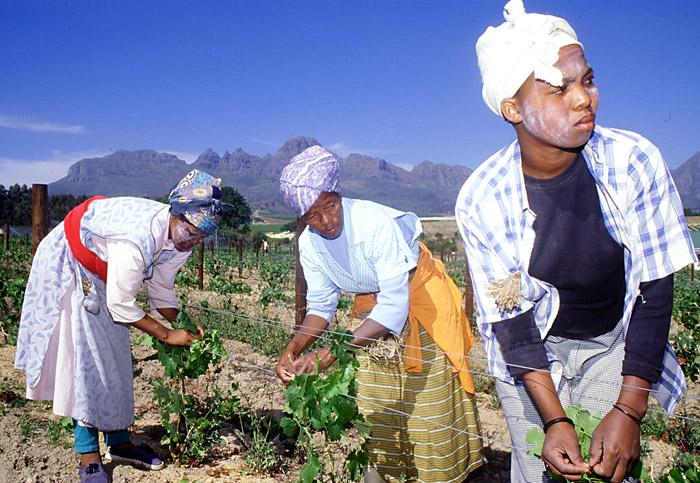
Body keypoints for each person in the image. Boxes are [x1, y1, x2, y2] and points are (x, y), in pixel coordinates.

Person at [455, 1, 696, 482]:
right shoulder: (483, 200)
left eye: (586, 79)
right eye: (559, 88)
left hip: (611, 343)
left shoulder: (632, 163)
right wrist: (554, 419)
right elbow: (512, 322)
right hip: (534, 357)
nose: (583, 97)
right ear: (512, 108)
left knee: (604, 467)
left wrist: (628, 409)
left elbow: (654, 288)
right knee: (536, 465)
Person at [275, 145, 483, 483]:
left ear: (339, 195)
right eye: (313, 215)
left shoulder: (373, 222)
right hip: (374, 312)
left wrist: (333, 352)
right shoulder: (309, 245)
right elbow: (321, 306)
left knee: (428, 407)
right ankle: (386, 474)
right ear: (301, 218)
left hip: (421, 301)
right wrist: (293, 348)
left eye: (330, 206)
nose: (327, 221)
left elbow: (394, 307)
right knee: (380, 404)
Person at [15, 169, 226, 483]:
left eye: (202, 236)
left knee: (115, 359)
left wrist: (182, 324)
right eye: (192, 231)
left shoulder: (179, 243)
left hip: (105, 273)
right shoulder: (136, 237)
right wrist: (167, 335)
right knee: (87, 362)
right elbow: (121, 305)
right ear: (176, 215)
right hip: (74, 263)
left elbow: (161, 290)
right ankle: (88, 457)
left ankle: (120, 443)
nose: (195, 241)